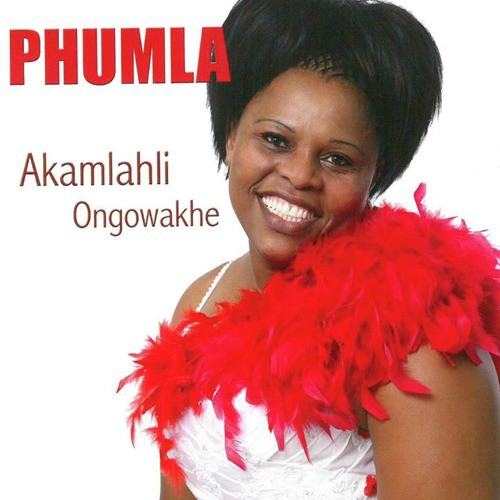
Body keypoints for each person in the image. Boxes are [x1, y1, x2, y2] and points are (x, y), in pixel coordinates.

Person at [119, 0, 500, 498]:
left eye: (337, 159)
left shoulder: (419, 349)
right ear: (232, 136)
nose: (300, 176)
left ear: (374, 176)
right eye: (275, 140)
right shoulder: (202, 299)